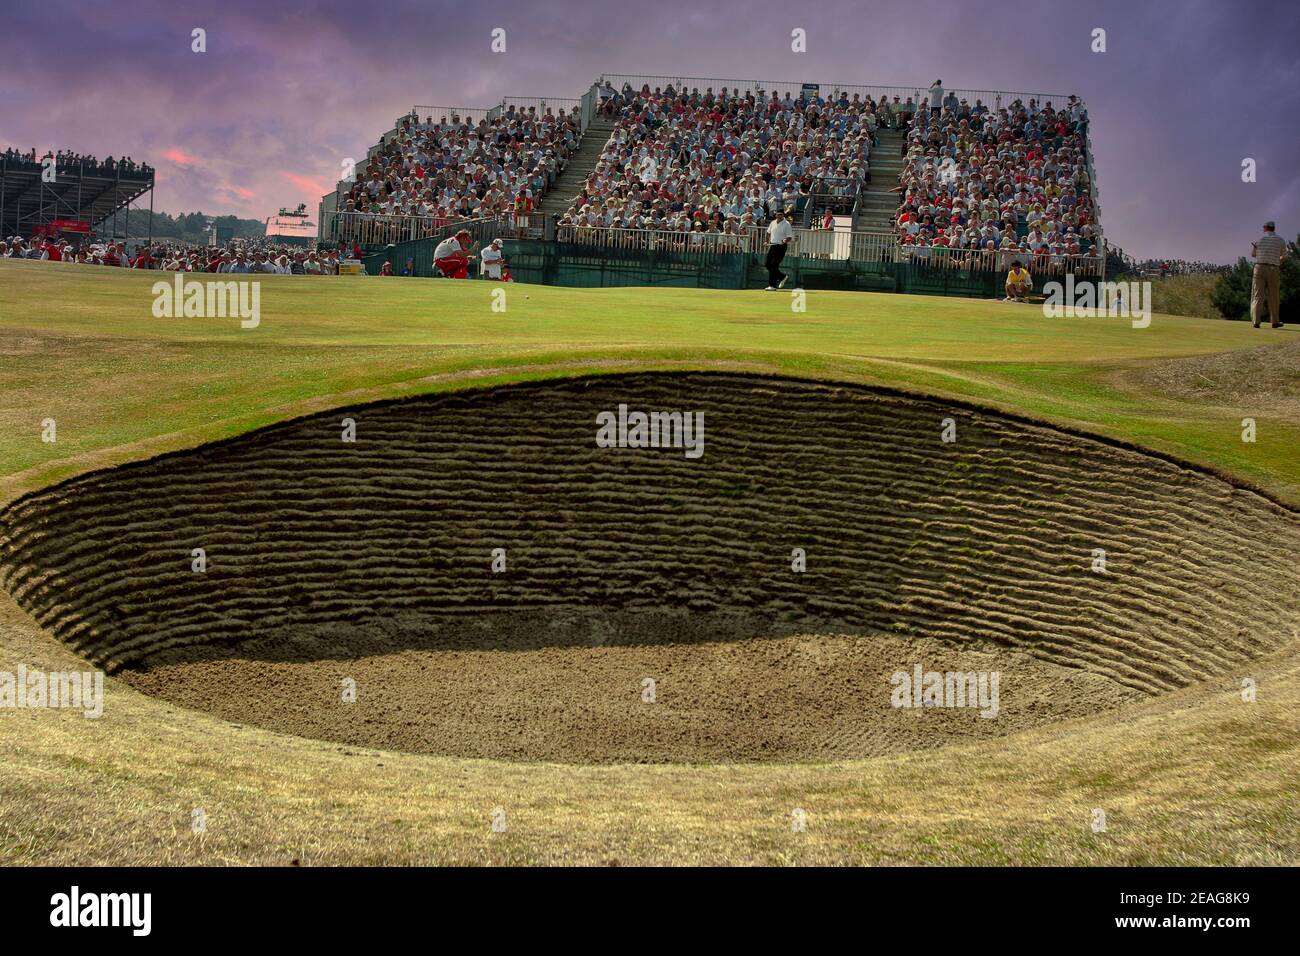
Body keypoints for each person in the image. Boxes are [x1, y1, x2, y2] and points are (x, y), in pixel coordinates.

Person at [1250, 221, 1287, 328]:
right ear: (1274, 228)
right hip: (1273, 268)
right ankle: (1275, 322)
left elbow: (1253, 254)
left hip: (1259, 268)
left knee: (1257, 296)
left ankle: (1256, 322)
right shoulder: (1280, 240)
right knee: (1274, 296)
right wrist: (1278, 260)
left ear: (1266, 228)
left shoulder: (1260, 240)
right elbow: (1284, 256)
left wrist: (1257, 249)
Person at [764, 210, 793, 290]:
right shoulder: (772, 222)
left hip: (781, 247)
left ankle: (772, 285)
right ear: (776, 214)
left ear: (783, 215)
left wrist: (785, 240)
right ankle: (782, 277)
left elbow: (789, 237)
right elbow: (768, 232)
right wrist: (766, 241)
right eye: (778, 214)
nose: (779, 216)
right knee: (767, 264)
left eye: (781, 214)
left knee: (774, 265)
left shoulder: (787, 224)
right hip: (773, 245)